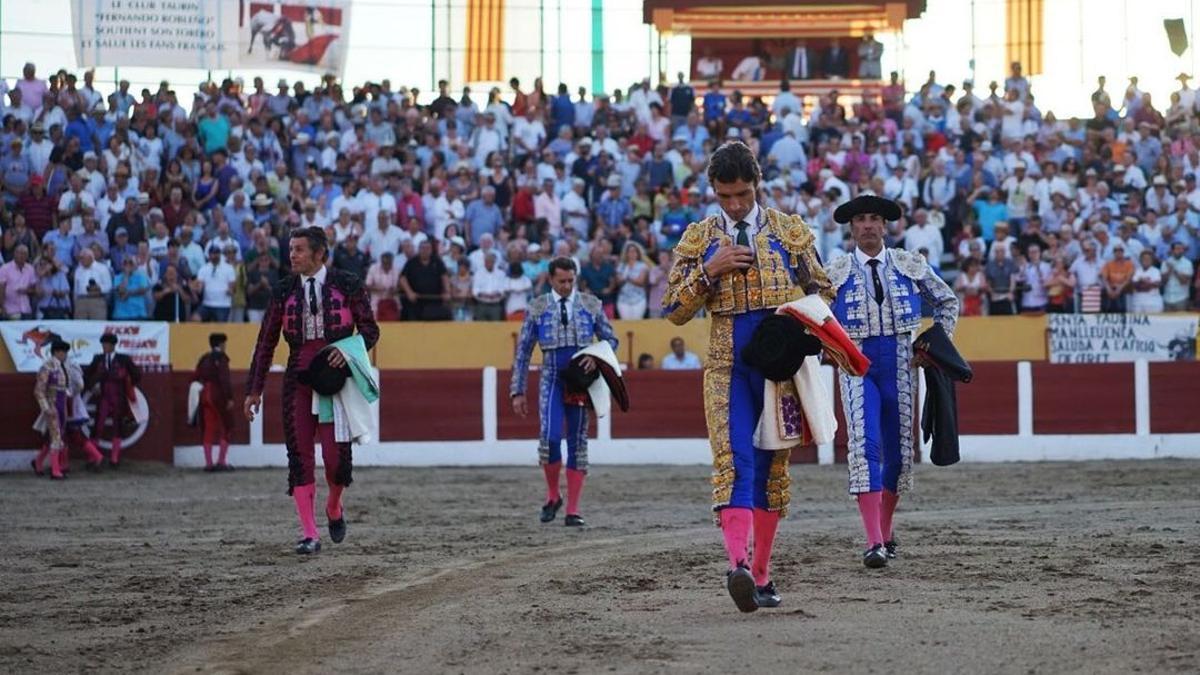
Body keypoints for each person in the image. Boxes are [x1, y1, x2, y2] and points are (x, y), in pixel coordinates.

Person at [662, 140, 831, 612]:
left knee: (772, 467)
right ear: (713, 190)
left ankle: (762, 575)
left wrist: (804, 327)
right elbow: (673, 310)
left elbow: (824, 289)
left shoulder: (788, 231)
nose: (734, 205)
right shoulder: (699, 239)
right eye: (724, 196)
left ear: (757, 185)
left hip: (778, 367)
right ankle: (738, 566)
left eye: (742, 194)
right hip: (727, 365)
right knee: (735, 462)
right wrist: (710, 272)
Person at [824, 194, 958, 568]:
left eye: (874, 219)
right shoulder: (834, 272)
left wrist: (932, 347)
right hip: (857, 365)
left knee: (899, 455)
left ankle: (884, 530)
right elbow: (814, 316)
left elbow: (947, 302)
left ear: (885, 226)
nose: (867, 225)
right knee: (864, 446)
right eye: (861, 220)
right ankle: (873, 543)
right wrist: (830, 349)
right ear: (852, 228)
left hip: (900, 364)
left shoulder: (909, 264)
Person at [244, 227, 379, 555]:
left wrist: (347, 351)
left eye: (300, 249)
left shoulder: (347, 284)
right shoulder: (283, 291)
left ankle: (334, 506)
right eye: (291, 248)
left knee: (335, 459)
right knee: (300, 456)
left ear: (319, 254)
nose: (293, 255)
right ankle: (309, 533)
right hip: (298, 380)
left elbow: (370, 331)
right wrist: (254, 389)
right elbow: (266, 342)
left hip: (335, 380)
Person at [511, 257, 618, 528]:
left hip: (580, 381)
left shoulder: (591, 304)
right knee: (549, 438)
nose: (568, 286)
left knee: (577, 443)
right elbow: (523, 352)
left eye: (571, 280)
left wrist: (597, 357)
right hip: (551, 378)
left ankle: (572, 509)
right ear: (550, 280)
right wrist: (517, 391)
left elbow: (611, 339)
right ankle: (552, 495)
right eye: (562, 281)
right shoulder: (536, 307)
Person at [84, 332, 142, 468]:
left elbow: (137, 374)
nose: (104, 347)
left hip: (119, 395)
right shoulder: (98, 359)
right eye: (103, 344)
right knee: (98, 425)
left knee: (118, 426)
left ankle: (114, 459)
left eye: (106, 344)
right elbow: (86, 375)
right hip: (103, 395)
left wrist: (128, 383)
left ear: (113, 345)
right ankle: (93, 457)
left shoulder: (124, 360)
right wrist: (93, 386)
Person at [33, 340, 78, 480]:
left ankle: (38, 462)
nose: (65, 355)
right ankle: (55, 470)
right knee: (57, 436)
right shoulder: (47, 366)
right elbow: (38, 391)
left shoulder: (63, 366)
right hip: (52, 405)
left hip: (62, 404)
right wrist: (46, 408)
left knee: (56, 435)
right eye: (63, 352)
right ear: (57, 352)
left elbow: (66, 387)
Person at [194, 333, 235, 472]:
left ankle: (209, 463)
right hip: (218, 395)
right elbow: (224, 379)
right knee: (226, 426)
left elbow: (194, 377)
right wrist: (229, 398)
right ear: (221, 344)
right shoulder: (221, 359)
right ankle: (221, 462)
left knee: (209, 429)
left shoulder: (204, 358)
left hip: (205, 395)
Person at [615, 241, 649, 319]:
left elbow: (640, 281)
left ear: (638, 253)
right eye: (630, 251)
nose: (632, 253)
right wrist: (629, 278)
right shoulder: (622, 266)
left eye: (634, 251)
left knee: (637, 322)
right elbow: (618, 282)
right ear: (626, 253)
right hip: (623, 299)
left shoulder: (643, 266)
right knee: (625, 323)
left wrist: (627, 277)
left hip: (639, 299)